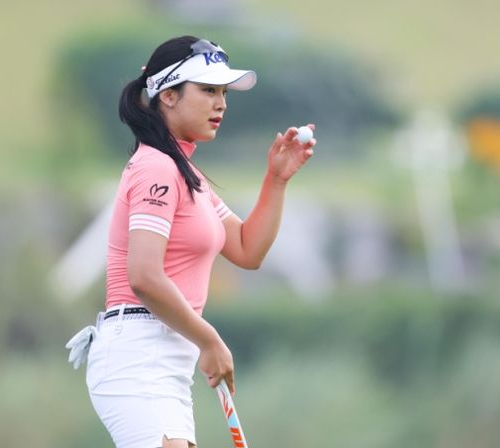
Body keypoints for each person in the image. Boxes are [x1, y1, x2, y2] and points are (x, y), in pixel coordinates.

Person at [65, 35, 315, 448]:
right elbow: (144, 277)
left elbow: (247, 249)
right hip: (138, 356)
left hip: (166, 359)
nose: (221, 104)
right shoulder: (156, 168)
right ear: (168, 95)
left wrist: (276, 180)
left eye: (224, 93)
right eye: (208, 90)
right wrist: (209, 340)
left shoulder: (187, 175)